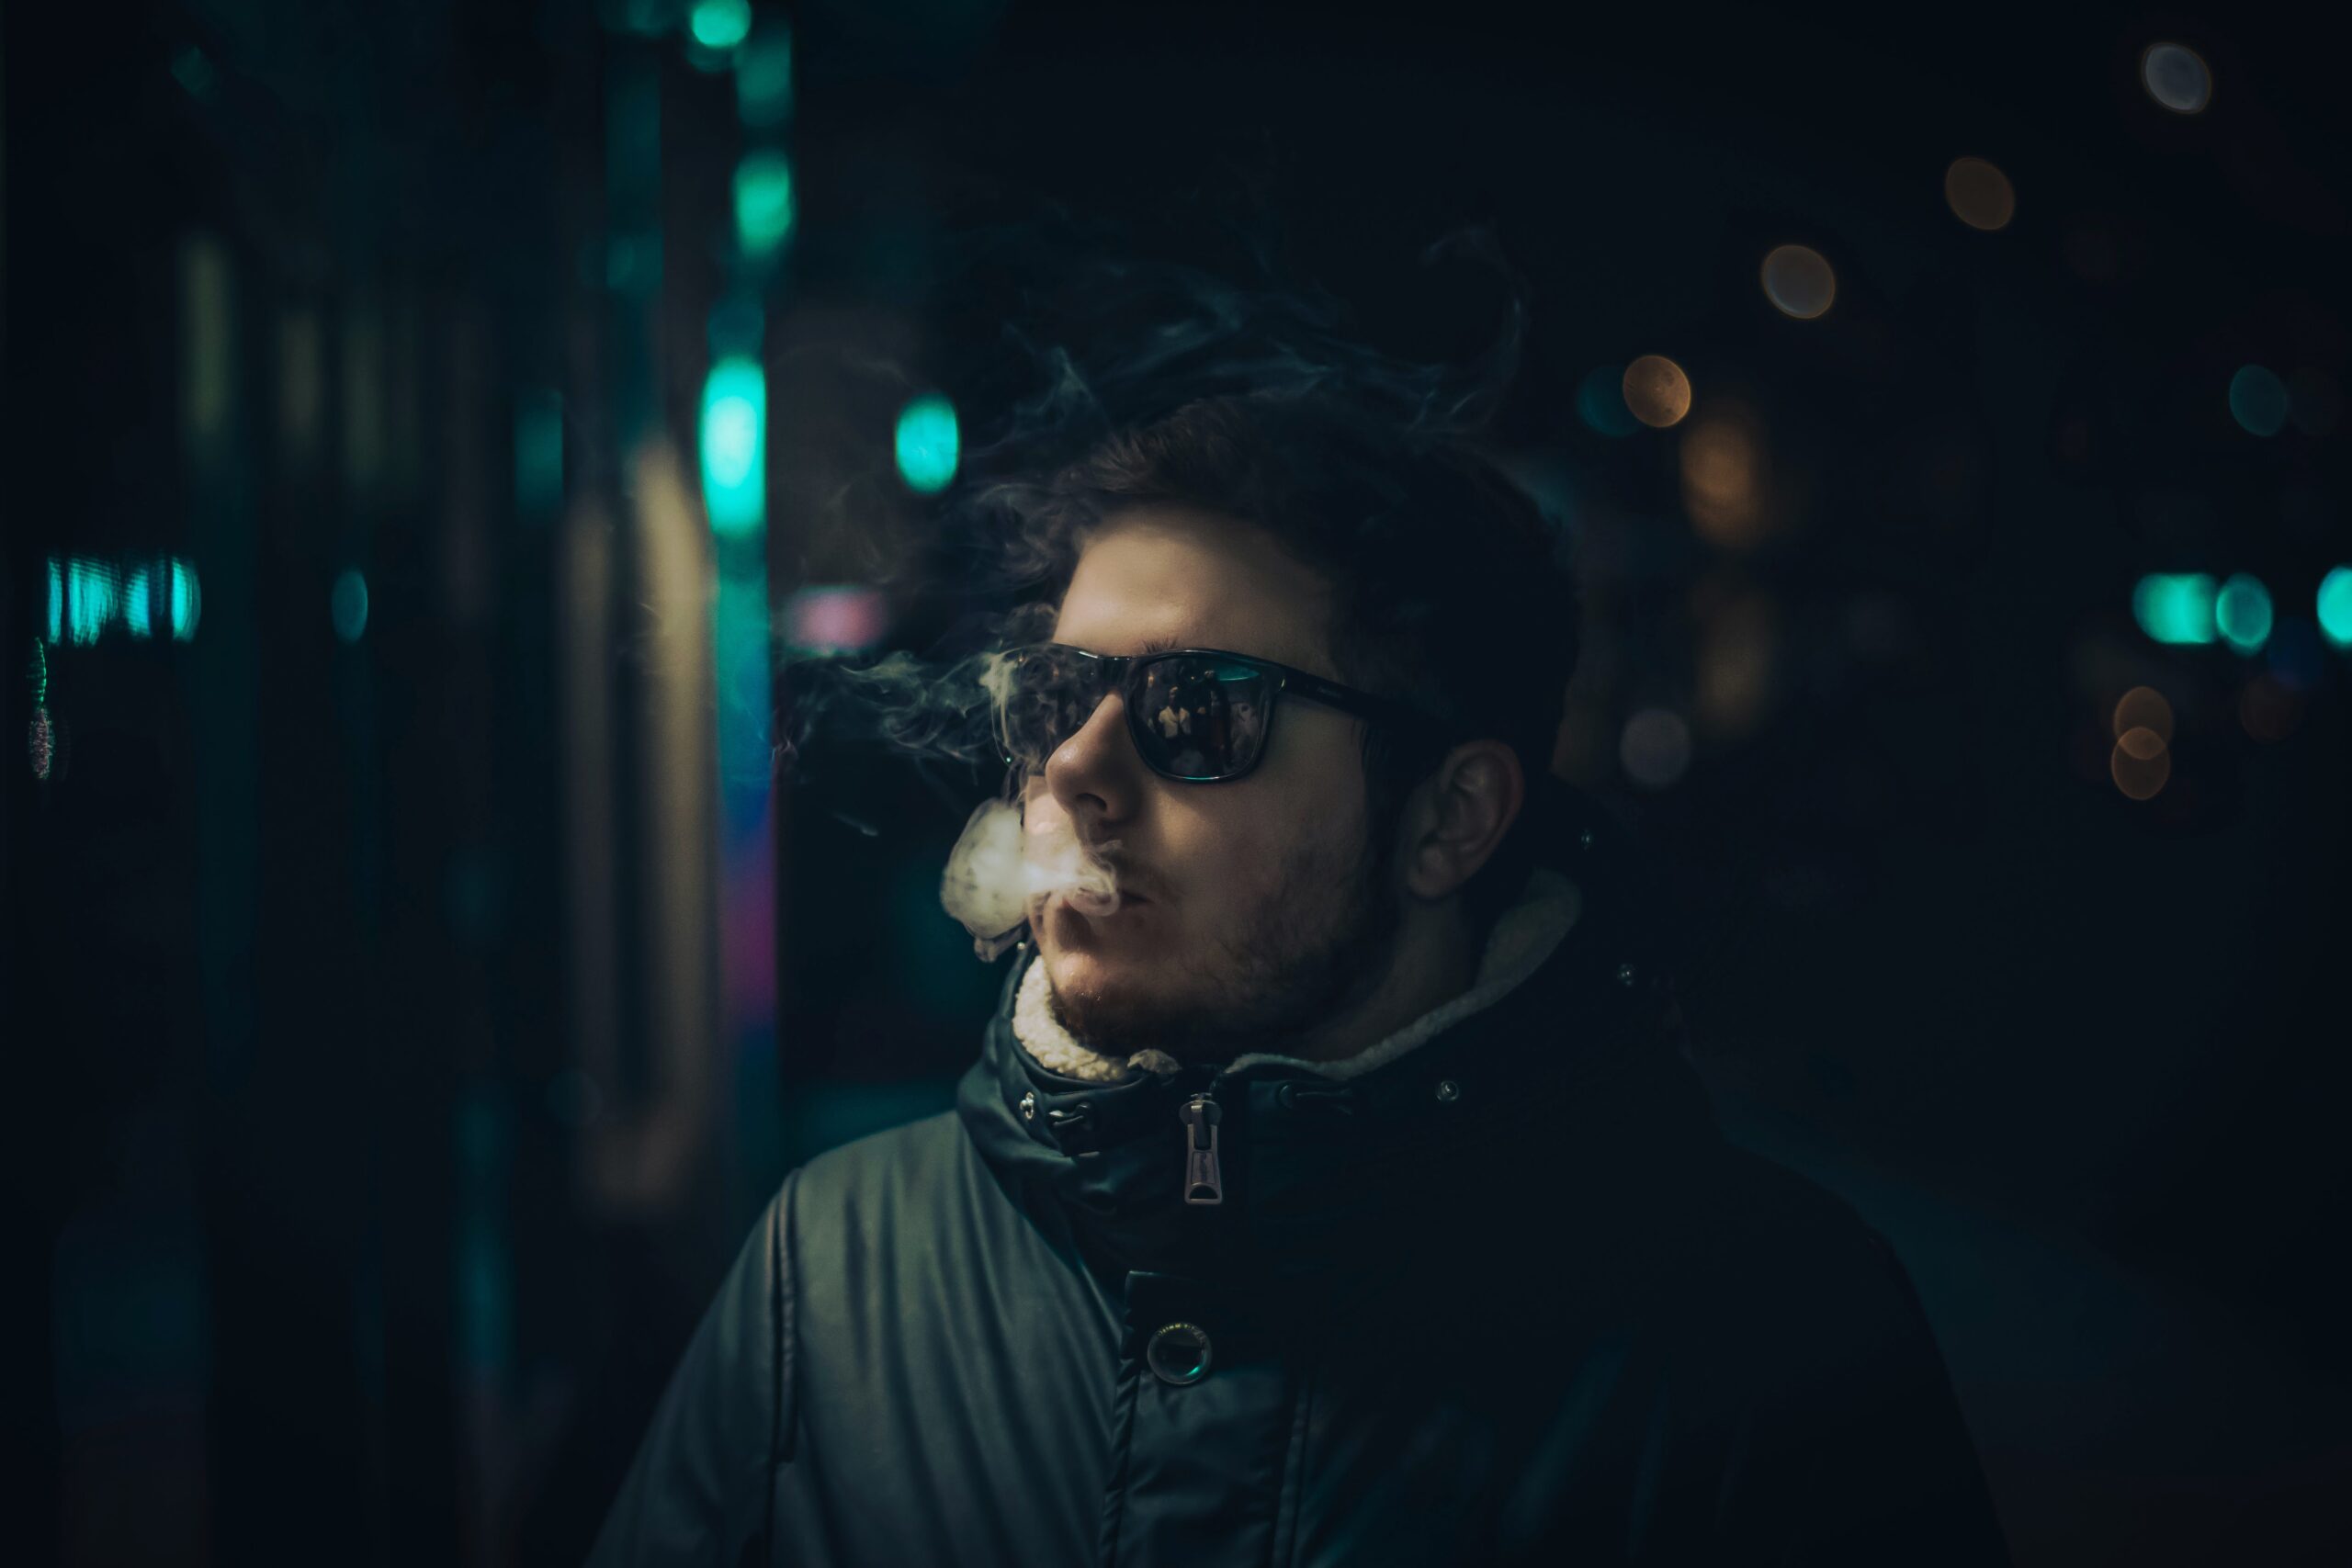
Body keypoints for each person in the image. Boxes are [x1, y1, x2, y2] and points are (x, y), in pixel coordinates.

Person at [586, 391, 2011, 1565]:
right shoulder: (827, 1270)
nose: (1073, 774)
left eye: (1196, 712)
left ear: (1451, 819)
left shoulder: (1775, 1339)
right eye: (1054, 699)